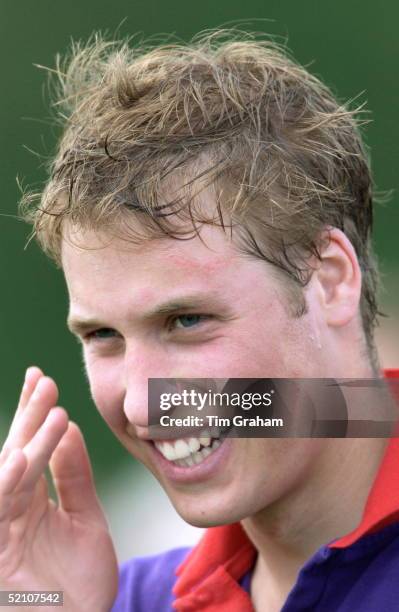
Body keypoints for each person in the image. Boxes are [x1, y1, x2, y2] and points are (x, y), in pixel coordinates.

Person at [1, 29, 398, 611]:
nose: (142, 404)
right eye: (103, 335)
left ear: (330, 279)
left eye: (186, 321)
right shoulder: (122, 598)